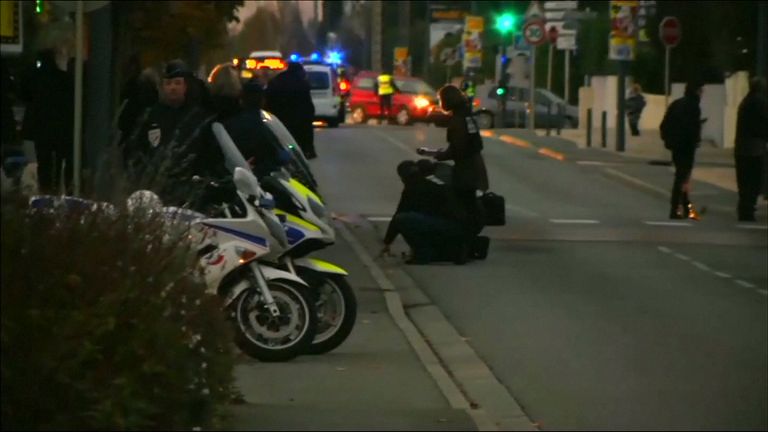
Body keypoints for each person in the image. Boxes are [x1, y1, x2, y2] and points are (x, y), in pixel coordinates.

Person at [122, 59, 226, 209]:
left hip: (189, 190)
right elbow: (139, 149)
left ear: (186, 86)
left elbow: (210, 155)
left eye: (177, 83)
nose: (172, 88)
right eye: (168, 84)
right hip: (157, 189)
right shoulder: (152, 116)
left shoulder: (199, 118)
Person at [420, 84, 489, 236]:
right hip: (476, 164)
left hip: (466, 169)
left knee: (461, 204)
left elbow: (458, 149)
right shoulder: (468, 115)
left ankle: (462, 240)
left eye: (441, 99)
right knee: (469, 203)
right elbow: (474, 143)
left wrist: (439, 155)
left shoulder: (458, 120)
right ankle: (468, 239)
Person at [380, 160, 468, 265]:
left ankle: (422, 253)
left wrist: (387, 242)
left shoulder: (414, 187)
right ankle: (446, 251)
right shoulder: (432, 182)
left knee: (403, 219)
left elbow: (398, 215)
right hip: (456, 224)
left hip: (447, 225)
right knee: (417, 220)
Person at [20, 41, 75, 195]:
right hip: (60, 128)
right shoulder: (63, 78)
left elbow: (24, 94)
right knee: (58, 164)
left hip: (40, 128)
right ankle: (56, 190)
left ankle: (45, 192)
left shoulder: (34, 77)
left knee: (44, 164)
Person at [224, 79, 288, 179]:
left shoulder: (231, 123)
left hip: (239, 175)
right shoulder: (264, 125)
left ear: (241, 101)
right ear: (263, 101)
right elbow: (278, 155)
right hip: (258, 177)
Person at [660, 80, 705, 220]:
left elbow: (664, 124)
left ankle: (688, 209)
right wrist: (696, 140)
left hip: (676, 146)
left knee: (682, 177)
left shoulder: (676, 103)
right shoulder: (693, 106)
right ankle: (675, 209)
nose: (702, 94)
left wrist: (668, 141)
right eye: (701, 91)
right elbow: (692, 129)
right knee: (682, 178)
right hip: (686, 147)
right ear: (697, 91)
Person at [264, 62, 317, 159]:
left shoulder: (276, 81)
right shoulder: (302, 83)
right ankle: (307, 151)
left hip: (280, 120)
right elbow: (307, 105)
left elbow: (268, 101)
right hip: (299, 121)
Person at [734, 77, 768, 222]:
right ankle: (748, 210)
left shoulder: (745, 102)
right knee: (753, 181)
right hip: (755, 148)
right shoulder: (760, 102)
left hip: (741, 147)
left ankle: (744, 209)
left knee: (743, 181)